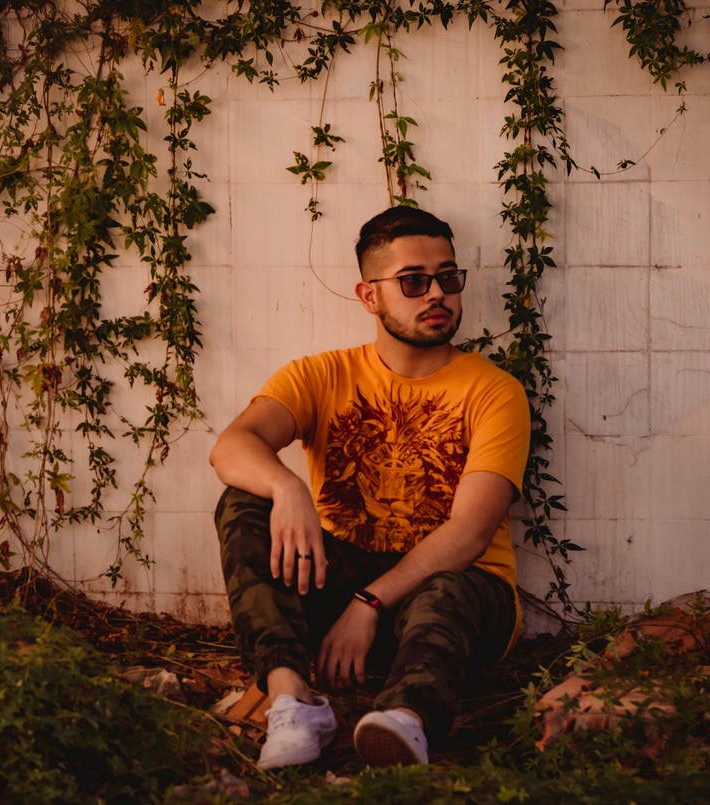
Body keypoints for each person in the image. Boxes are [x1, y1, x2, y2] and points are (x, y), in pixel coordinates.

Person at [209, 206, 531, 769]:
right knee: (245, 499)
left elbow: (472, 532)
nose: (437, 294)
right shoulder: (320, 376)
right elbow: (232, 446)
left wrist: (370, 603)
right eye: (413, 281)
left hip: (459, 603)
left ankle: (406, 720)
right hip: (345, 589)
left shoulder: (494, 391)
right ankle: (292, 699)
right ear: (369, 295)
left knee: (448, 586)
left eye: (448, 278)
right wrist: (287, 488)